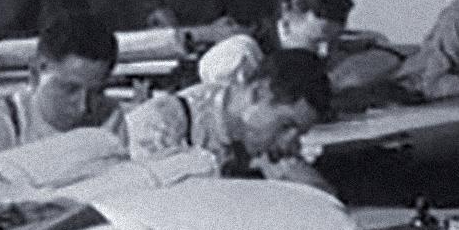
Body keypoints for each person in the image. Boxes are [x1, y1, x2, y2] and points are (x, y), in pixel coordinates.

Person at [123, 47, 334, 188]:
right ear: (258, 93)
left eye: (299, 134)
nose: (289, 143)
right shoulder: (162, 125)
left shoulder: (251, 141)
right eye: (286, 126)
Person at [0, 10, 122, 151]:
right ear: (36, 73)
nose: (83, 107)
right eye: (69, 89)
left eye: (97, 92)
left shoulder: (110, 119)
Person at [197, 0, 352, 86]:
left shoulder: (315, 60)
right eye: (317, 41)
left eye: (330, 42)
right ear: (296, 9)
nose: (323, 52)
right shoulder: (245, 52)